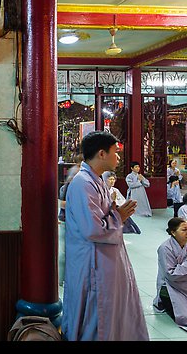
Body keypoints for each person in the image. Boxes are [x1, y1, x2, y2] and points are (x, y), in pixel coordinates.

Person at [61, 131, 149, 341]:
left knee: (113, 309)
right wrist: (119, 216)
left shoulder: (97, 181)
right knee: (98, 313)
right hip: (93, 261)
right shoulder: (83, 184)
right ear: (102, 153)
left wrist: (115, 211)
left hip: (106, 257)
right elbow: (93, 229)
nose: (118, 158)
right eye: (115, 153)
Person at [58, 154, 83, 286]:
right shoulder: (73, 180)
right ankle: (61, 278)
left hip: (77, 221)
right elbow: (62, 203)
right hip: (67, 220)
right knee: (65, 252)